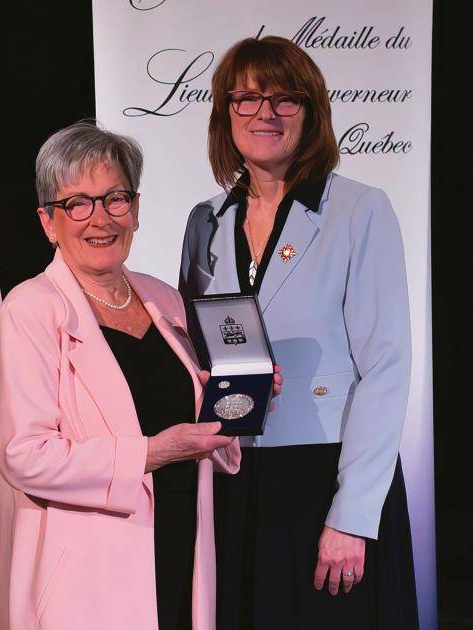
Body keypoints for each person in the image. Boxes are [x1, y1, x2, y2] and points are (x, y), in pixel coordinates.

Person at [0, 121, 280, 630]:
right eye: (77, 203)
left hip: (178, 547)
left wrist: (235, 402)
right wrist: (151, 452)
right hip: (88, 576)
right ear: (47, 222)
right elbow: (25, 455)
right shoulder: (30, 309)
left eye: (115, 198)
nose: (100, 218)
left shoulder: (164, 299)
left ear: (137, 209)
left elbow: (186, 421)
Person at [179, 36, 418, 629]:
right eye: (247, 98)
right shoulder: (206, 220)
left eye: (286, 99)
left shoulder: (361, 209)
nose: (266, 113)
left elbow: (385, 366)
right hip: (233, 474)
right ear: (224, 114)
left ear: (312, 114)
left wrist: (353, 515)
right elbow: (197, 347)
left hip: (327, 480)